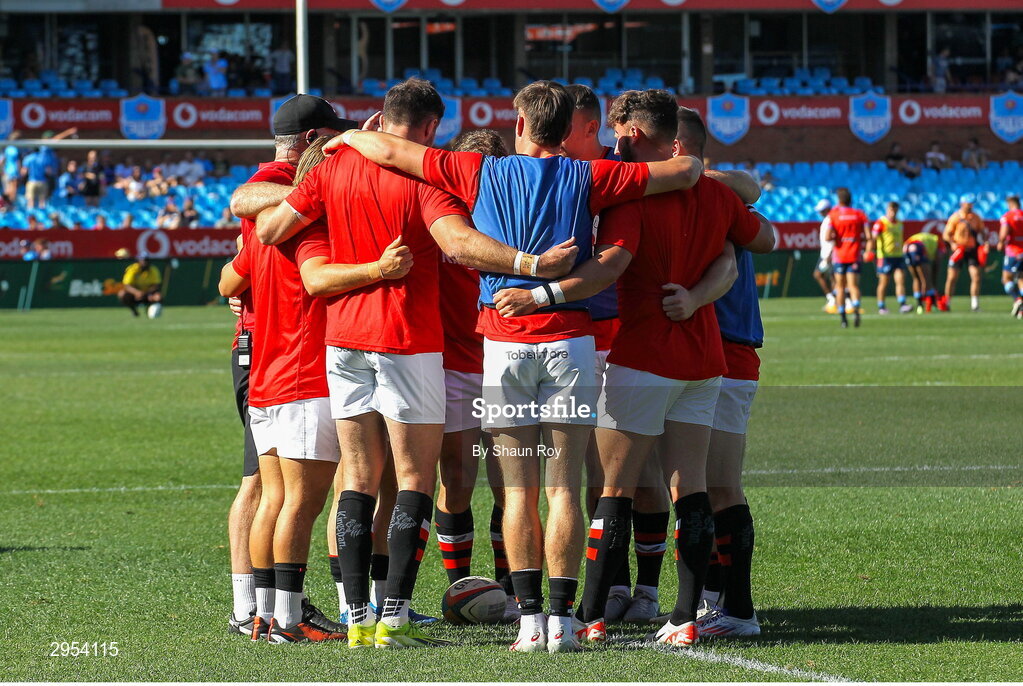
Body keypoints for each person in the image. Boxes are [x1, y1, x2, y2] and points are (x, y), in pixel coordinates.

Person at [337, 81, 707, 653]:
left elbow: (389, 151)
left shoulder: (479, 172)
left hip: (504, 345)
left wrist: (344, 139)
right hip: (571, 342)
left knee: (518, 491)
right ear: (567, 130)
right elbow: (683, 172)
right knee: (564, 488)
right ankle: (562, 623)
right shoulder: (593, 177)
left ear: (519, 124)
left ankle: (529, 622)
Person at [249, 80, 582, 650]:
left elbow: (269, 228)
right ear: (429, 130)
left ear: (383, 119)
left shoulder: (331, 171)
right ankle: (395, 616)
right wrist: (530, 263)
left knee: (355, 480)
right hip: (407, 338)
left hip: (344, 340)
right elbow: (459, 245)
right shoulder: (423, 177)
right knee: (412, 478)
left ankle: (357, 616)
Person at [488, 97, 773, 649]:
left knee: (613, 488)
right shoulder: (716, 195)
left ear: (638, 134)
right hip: (704, 357)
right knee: (691, 489)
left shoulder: (632, 196)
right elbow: (755, 243)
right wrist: (698, 294)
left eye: (620, 136)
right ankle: (686, 616)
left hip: (644, 354)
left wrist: (544, 292)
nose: (614, 146)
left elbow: (610, 266)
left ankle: (590, 613)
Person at [222, 94, 355, 640]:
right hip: (302, 367)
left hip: (269, 367)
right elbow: (318, 279)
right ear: (315, 143)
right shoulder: (302, 212)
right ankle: (284, 618)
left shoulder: (263, 222)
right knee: (295, 500)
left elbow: (230, 280)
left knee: (273, 495)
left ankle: (264, 614)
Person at [431, 129, 518, 622]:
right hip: (454, 366)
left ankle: (508, 586)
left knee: (511, 483)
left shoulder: (511, 214)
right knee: (458, 478)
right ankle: (460, 591)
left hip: (505, 357)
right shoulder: (437, 213)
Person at [695, 243, 766, 639]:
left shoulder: (721, 196)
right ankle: (713, 600)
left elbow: (764, 235)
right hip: (704, 348)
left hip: (726, 349)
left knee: (719, 486)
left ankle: (738, 609)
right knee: (696, 486)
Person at [826, 188, 869, 328]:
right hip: (854, 254)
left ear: (839, 200)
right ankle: (856, 310)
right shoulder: (859, 214)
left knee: (840, 286)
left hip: (839, 256)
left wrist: (837, 236)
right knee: (853, 286)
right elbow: (868, 236)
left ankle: (843, 318)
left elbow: (827, 237)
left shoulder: (834, 214)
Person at [942, 194, 987, 312]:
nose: (971, 206)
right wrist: (952, 244)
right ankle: (947, 302)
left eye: (972, 203)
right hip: (958, 250)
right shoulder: (955, 217)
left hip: (971, 250)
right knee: (952, 277)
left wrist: (985, 243)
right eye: (969, 203)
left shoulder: (976, 217)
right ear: (963, 204)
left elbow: (982, 232)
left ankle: (975, 304)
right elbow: (946, 234)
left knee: (976, 276)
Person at [869, 201, 911, 314]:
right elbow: (873, 238)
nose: (893, 213)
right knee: (884, 282)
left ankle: (902, 304)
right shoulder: (881, 223)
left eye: (895, 210)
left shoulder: (899, 224)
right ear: (887, 210)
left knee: (900, 279)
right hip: (885, 257)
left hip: (898, 256)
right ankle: (881, 306)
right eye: (891, 210)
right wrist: (871, 251)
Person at [997, 195, 1023, 317]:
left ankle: (1017, 299)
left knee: (1006, 278)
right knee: (1022, 279)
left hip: (1013, 252)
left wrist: (1001, 243)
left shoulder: (1008, 217)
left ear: (1010, 204)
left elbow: (1003, 233)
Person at [903, 230, 941, 313]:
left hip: (906, 247)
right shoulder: (937, 242)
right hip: (918, 248)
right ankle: (931, 304)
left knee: (916, 279)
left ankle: (919, 305)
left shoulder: (929, 239)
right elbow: (938, 259)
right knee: (926, 279)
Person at [811, 198, 836, 311]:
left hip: (829, 253)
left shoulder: (831, 220)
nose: (820, 212)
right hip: (825, 253)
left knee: (828, 276)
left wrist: (830, 254)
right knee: (831, 277)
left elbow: (833, 238)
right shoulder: (828, 219)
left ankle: (834, 299)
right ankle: (833, 298)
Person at [118, 253, 162, 317]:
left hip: (148, 293)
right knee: (122, 294)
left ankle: (149, 310)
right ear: (138, 261)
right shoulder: (132, 269)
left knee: (158, 297)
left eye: (146, 260)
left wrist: (146, 293)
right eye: (143, 260)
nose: (145, 262)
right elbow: (127, 285)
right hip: (134, 294)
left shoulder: (153, 270)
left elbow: (156, 285)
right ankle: (134, 310)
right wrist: (137, 292)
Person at [3, 133, 20, 205]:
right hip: (14, 170)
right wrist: (19, 170)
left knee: (8, 187)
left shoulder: (7, 149)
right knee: (13, 188)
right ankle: (10, 203)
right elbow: (17, 161)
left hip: (7, 170)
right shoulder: (15, 149)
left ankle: (4, 202)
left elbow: (3, 160)